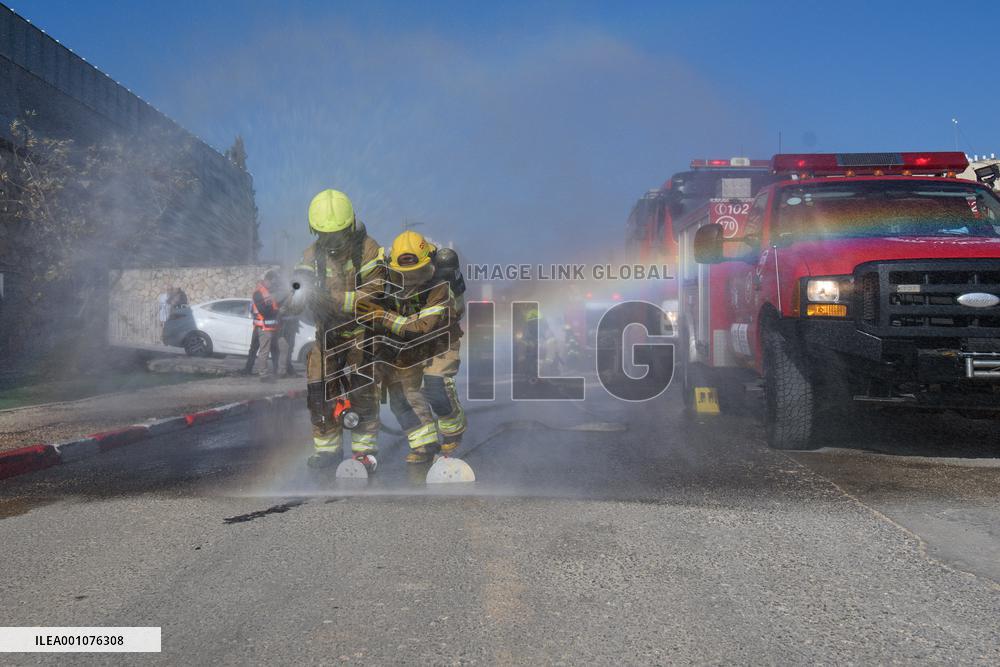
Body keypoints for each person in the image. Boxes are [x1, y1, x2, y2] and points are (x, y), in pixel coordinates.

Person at [295, 189, 385, 469]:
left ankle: (364, 454)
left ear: (350, 227)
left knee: (363, 391)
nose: (331, 242)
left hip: (362, 334)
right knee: (319, 389)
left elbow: (377, 293)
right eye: (325, 236)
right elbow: (299, 287)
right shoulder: (312, 254)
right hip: (327, 337)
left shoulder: (368, 249)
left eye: (337, 235)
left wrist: (335, 299)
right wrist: (294, 293)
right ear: (315, 231)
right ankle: (327, 452)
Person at [364, 231, 466, 463]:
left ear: (428, 265)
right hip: (406, 345)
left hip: (440, 341)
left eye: (419, 272)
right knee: (400, 396)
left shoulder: (439, 286)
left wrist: (384, 317)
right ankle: (423, 444)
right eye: (405, 275)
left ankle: (453, 429)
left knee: (435, 385)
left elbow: (424, 327)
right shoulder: (386, 283)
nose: (412, 279)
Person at [251, 270, 287, 383]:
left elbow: (273, 306)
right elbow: (264, 311)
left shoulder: (268, 292)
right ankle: (263, 374)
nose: (273, 284)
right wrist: (278, 311)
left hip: (274, 326)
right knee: (264, 351)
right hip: (264, 327)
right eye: (272, 282)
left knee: (283, 347)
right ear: (267, 280)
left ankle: (281, 371)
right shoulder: (258, 293)